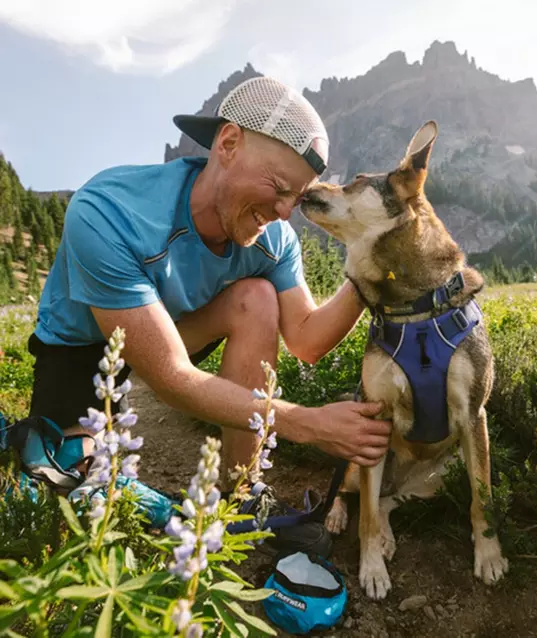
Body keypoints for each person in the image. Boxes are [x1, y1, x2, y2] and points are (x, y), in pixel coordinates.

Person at [2, 77, 391, 550]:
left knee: (258, 298)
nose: (287, 211)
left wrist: (373, 262)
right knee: (79, 493)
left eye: (298, 195)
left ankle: (241, 491)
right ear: (228, 143)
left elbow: (307, 340)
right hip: (83, 349)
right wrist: (308, 424)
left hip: (176, 330)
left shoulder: (272, 238)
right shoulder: (108, 211)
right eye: (279, 186)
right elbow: (170, 375)